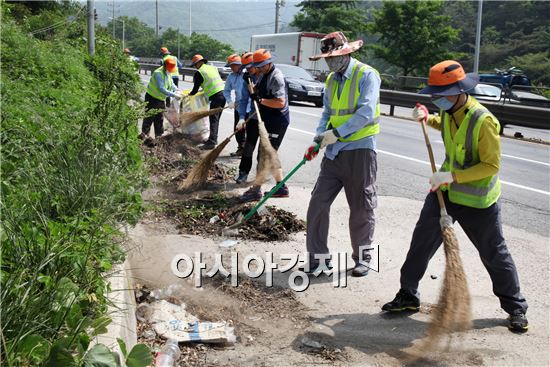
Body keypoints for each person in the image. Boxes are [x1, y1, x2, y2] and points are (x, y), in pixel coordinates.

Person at [381, 60, 529, 333]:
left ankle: (516, 307)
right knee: (420, 244)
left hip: (477, 202)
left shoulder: (483, 121)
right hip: (444, 194)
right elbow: (449, 128)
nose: (437, 99)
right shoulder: (450, 112)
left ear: (459, 90)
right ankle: (408, 294)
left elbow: (491, 165)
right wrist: (429, 118)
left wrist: (452, 176)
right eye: (434, 95)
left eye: (441, 95)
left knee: (494, 253)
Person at [302, 31, 381, 277]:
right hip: (334, 153)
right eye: (326, 57)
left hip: (360, 150)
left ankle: (363, 258)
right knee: (317, 204)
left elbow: (366, 113)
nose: (329, 61)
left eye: (333, 56)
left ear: (346, 52)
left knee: (361, 208)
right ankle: (318, 260)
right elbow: (327, 113)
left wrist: (336, 133)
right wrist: (319, 137)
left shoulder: (366, 75)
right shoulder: (331, 80)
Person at [239, 49, 290, 202]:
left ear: (268, 63)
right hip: (267, 119)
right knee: (270, 153)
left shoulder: (277, 78)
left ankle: (256, 190)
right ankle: (281, 187)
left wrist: (260, 100)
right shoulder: (263, 74)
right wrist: (250, 85)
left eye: (260, 66)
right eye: (257, 66)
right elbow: (256, 91)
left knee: (264, 155)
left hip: (277, 121)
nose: (258, 69)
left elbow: (280, 102)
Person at [189, 54, 226, 150]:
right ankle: (213, 139)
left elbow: (194, 90)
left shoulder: (199, 73)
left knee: (213, 120)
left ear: (200, 63)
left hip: (216, 97)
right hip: (223, 95)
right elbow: (213, 81)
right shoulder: (212, 68)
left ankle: (211, 142)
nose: (195, 67)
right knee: (216, 120)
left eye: (195, 65)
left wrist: (188, 96)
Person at [140, 57, 182, 142]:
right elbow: (161, 88)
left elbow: (171, 83)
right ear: (165, 66)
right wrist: (174, 94)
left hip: (160, 99)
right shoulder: (158, 73)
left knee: (159, 119)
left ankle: (159, 138)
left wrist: (177, 89)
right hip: (152, 98)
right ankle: (144, 137)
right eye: (170, 69)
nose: (171, 71)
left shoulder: (167, 72)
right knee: (149, 118)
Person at [234, 52, 259, 184]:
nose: (249, 70)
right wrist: (242, 117)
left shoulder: (266, 76)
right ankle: (243, 173)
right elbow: (244, 100)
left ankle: (259, 180)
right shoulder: (247, 78)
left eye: (251, 67)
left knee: (264, 151)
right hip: (253, 116)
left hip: (269, 117)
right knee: (249, 145)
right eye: (247, 68)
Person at [223, 54, 246, 156]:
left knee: (249, 130)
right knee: (238, 129)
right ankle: (241, 148)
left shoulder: (247, 75)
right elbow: (226, 91)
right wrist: (230, 101)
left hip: (250, 107)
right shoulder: (231, 77)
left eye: (233, 66)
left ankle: (247, 151)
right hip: (238, 107)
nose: (231, 68)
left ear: (239, 65)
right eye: (230, 66)